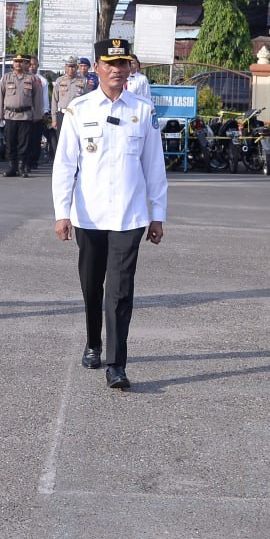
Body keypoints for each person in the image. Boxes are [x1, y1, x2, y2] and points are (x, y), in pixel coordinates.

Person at [52, 37, 167, 390]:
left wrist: (158, 214)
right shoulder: (79, 109)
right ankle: (93, 341)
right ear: (97, 68)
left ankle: (117, 364)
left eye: (123, 63)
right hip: (89, 214)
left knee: (120, 291)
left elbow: (154, 167)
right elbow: (64, 165)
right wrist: (62, 212)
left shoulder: (143, 111)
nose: (117, 70)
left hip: (130, 216)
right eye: (110, 64)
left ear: (131, 68)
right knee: (91, 285)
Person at [0, 53, 40, 177]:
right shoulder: (6, 78)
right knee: (10, 142)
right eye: (16, 61)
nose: (18, 64)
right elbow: (0, 97)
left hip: (25, 115)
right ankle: (12, 167)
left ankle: (22, 167)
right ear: (13, 63)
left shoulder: (32, 78)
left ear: (24, 63)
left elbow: (37, 98)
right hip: (10, 115)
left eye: (21, 61)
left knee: (24, 143)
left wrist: (37, 114)